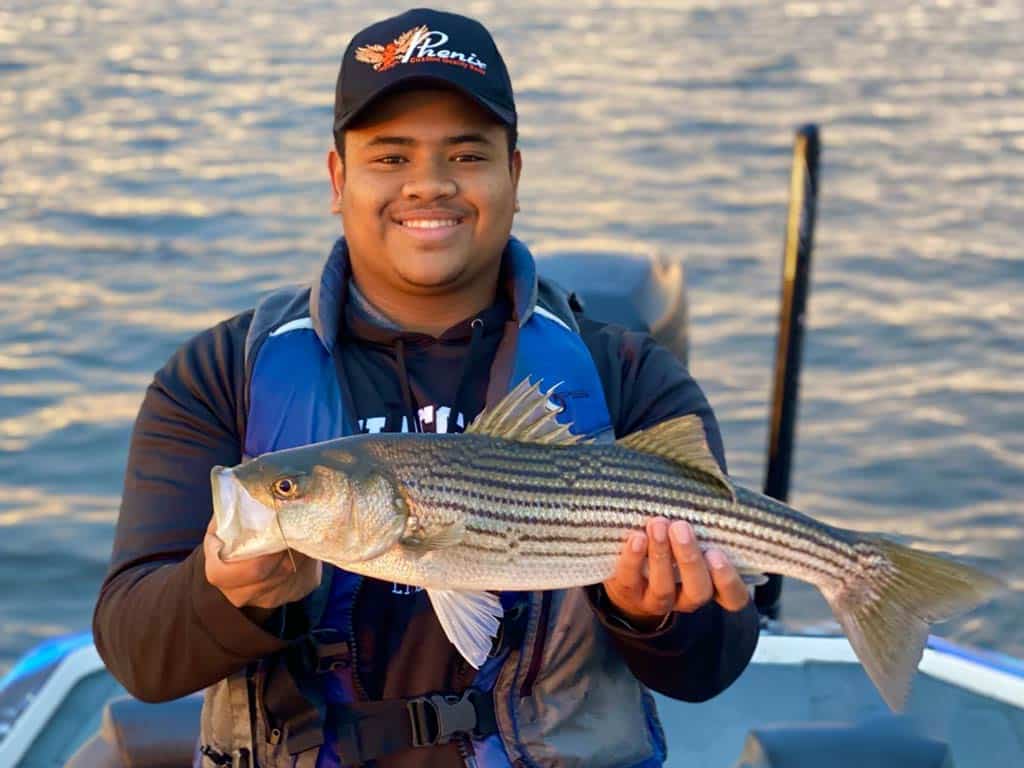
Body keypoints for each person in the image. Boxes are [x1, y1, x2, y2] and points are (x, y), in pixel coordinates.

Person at [93, 8, 759, 768]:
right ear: (337, 177)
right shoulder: (218, 376)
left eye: (467, 154)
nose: (429, 186)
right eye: (390, 157)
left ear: (515, 172)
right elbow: (137, 656)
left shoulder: (630, 376)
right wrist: (226, 595)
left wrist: (654, 616)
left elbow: (714, 667)